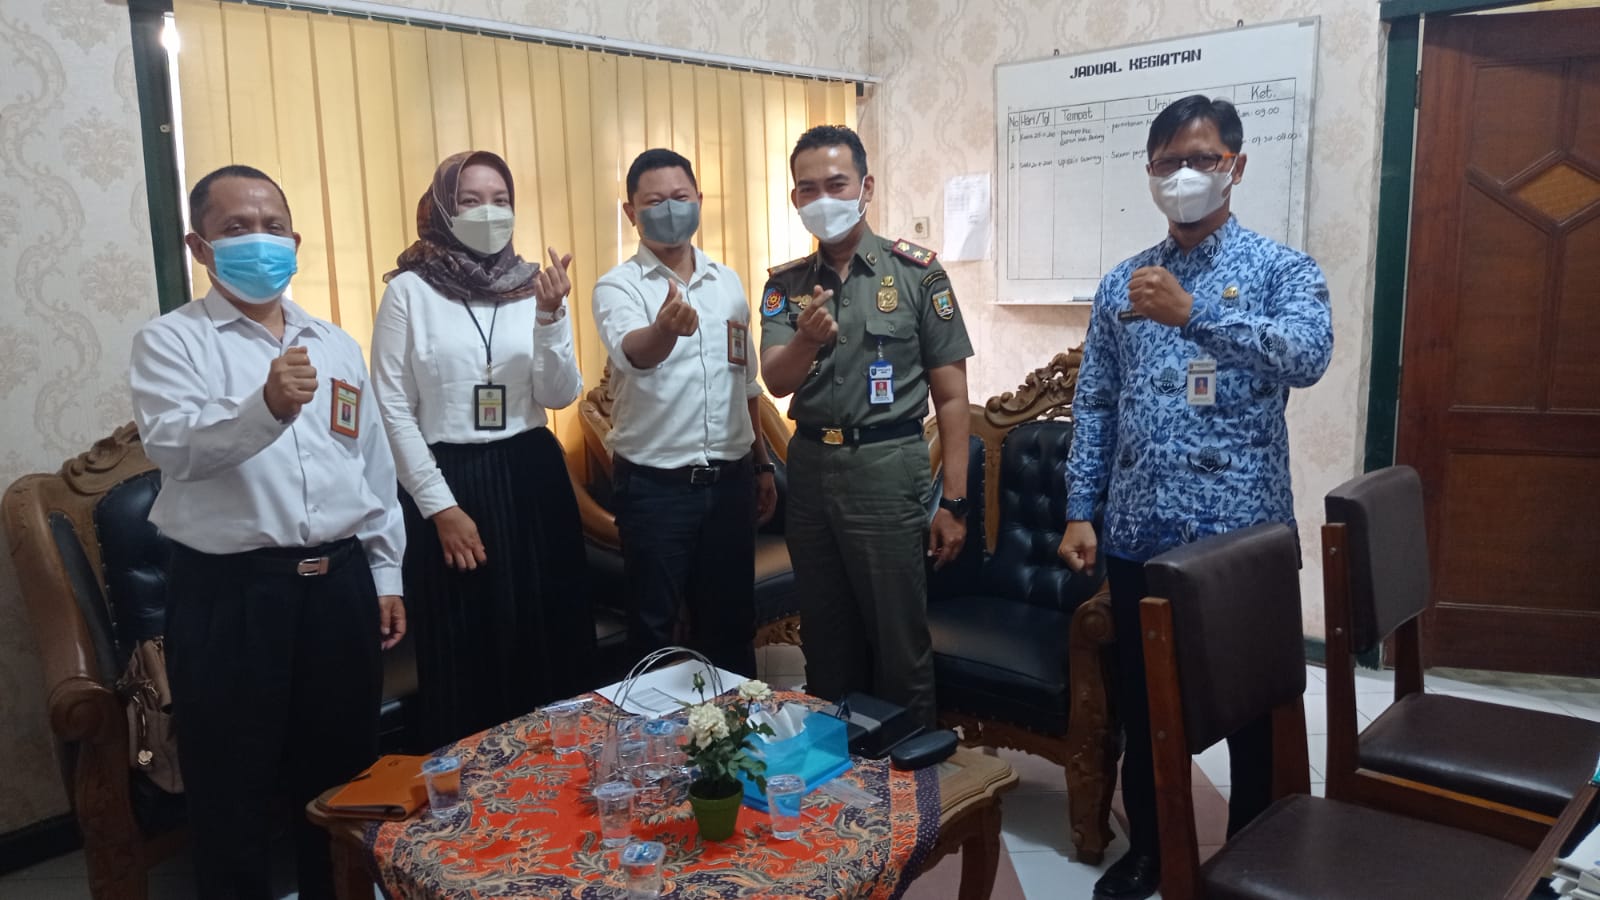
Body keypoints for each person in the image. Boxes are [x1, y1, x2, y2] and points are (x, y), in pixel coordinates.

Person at [1056, 95, 1333, 900]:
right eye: (1168, 162)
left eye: (1201, 159)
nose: (1184, 175)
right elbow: (1096, 401)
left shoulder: (1282, 270)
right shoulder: (1125, 282)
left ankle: (1253, 857)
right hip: (1140, 533)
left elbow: (1307, 356)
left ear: (1234, 167)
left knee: (1253, 714)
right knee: (1147, 708)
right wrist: (1080, 508)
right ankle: (1151, 849)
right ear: (1149, 173)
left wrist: (1195, 315)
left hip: (1240, 543)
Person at [130, 164, 407, 900]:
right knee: (232, 791)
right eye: (235, 228)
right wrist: (267, 408)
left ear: (296, 241)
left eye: (272, 226)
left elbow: (371, 466)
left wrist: (385, 573)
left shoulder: (335, 343)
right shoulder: (171, 343)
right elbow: (176, 449)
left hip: (340, 586)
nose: (259, 239)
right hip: (231, 596)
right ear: (199, 246)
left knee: (344, 782)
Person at [370, 150, 593, 750]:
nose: (488, 212)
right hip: (451, 483)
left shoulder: (532, 286)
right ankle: (476, 788)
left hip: (532, 475)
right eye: (470, 200)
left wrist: (550, 316)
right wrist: (441, 509)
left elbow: (559, 394)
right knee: (468, 647)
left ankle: (557, 777)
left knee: (547, 637)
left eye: (500, 200)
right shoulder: (409, 291)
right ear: (443, 208)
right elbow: (392, 408)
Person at [760, 125, 972, 729]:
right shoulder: (785, 286)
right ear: (795, 198)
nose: (822, 198)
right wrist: (806, 339)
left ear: (865, 187)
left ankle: (913, 778)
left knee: (898, 639)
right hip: (811, 469)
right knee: (825, 636)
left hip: (888, 466)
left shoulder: (917, 275)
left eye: (837, 184)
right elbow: (776, 380)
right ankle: (840, 768)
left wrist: (953, 501)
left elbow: (953, 397)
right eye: (808, 189)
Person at [591, 148, 776, 676]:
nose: (670, 209)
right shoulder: (618, 286)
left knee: (732, 625)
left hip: (730, 483)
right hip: (656, 490)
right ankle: (654, 730)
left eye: (680, 197)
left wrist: (762, 464)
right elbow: (635, 353)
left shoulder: (727, 282)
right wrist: (664, 330)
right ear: (631, 212)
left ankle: (734, 726)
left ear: (699, 199)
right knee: (654, 631)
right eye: (654, 201)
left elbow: (745, 381)